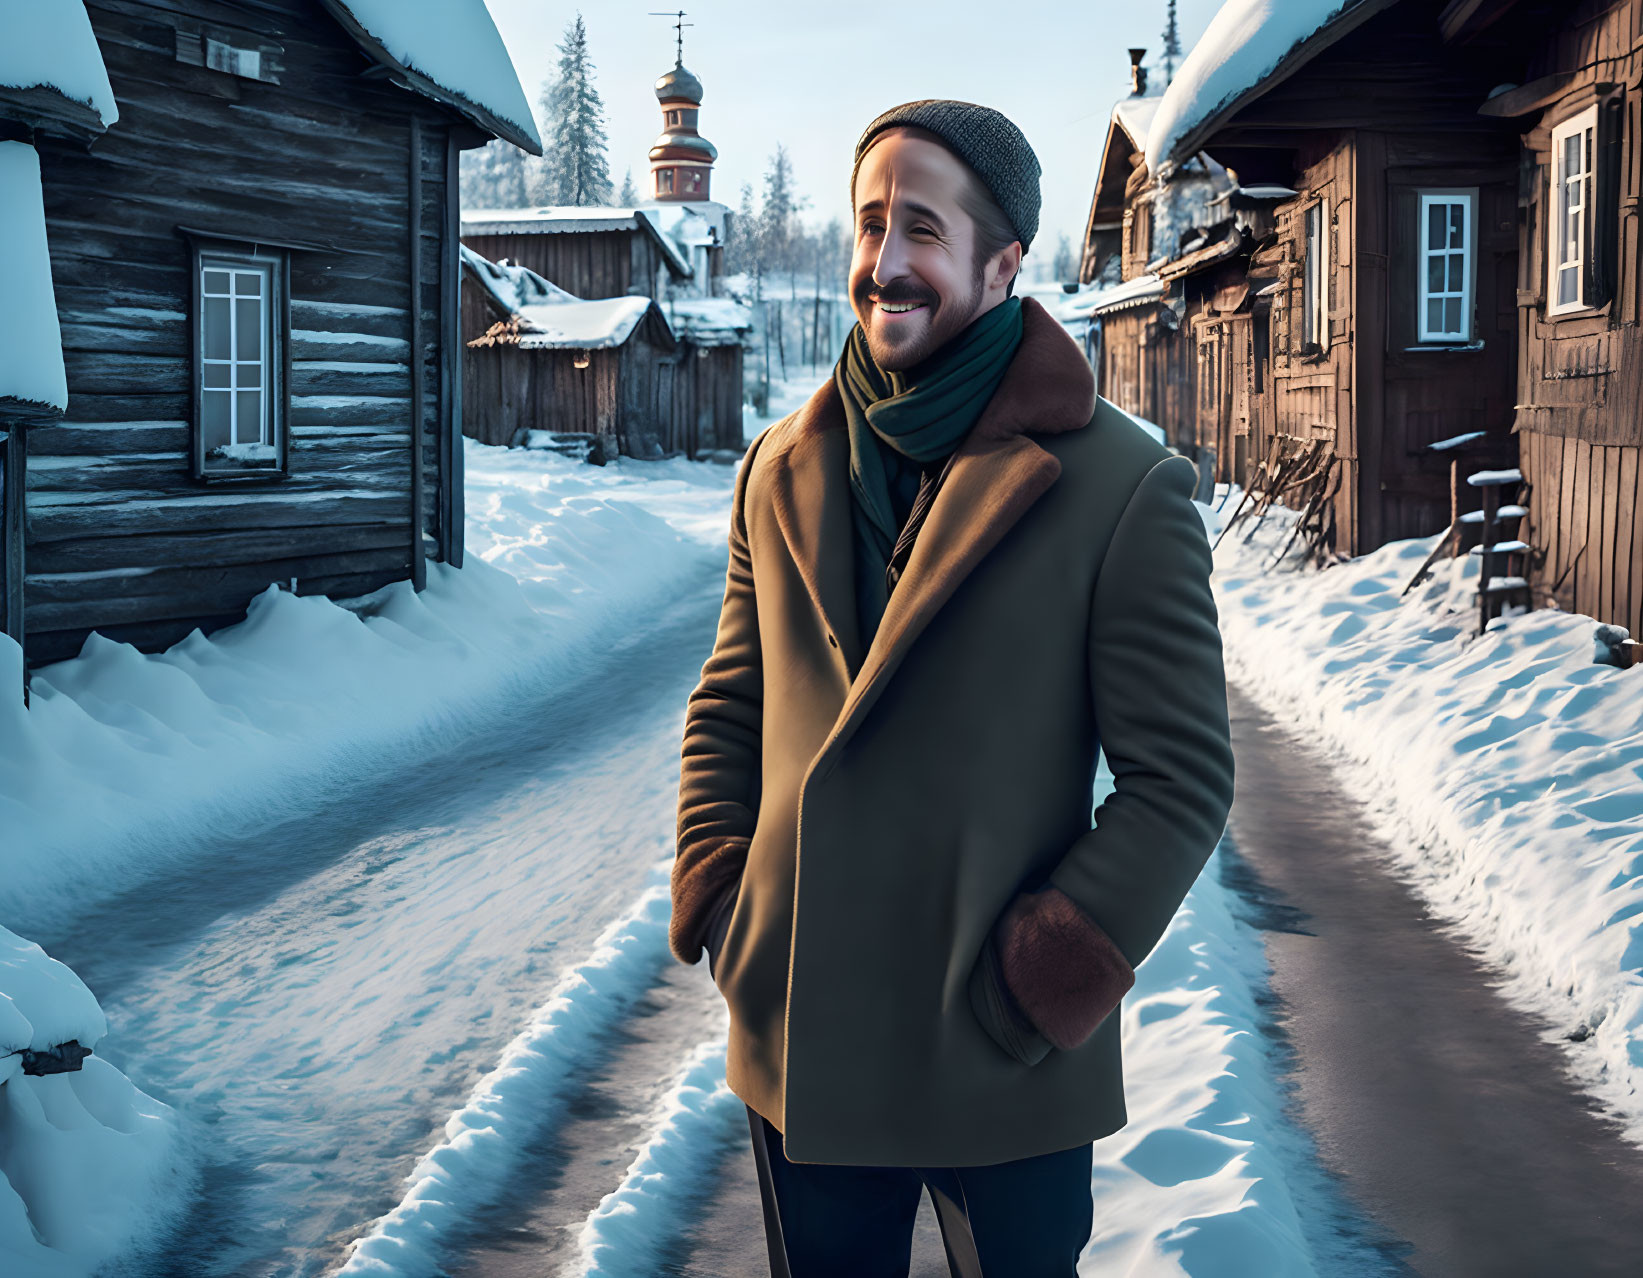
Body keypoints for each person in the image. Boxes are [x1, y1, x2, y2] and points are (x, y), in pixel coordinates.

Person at [670, 98, 1235, 1277]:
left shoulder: (1119, 487)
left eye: (921, 229)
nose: (883, 262)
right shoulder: (780, 468)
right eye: (869, 223)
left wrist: (1041, 981)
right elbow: (730, 703)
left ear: (1003, 262)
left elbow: (1179, 781)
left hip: (999, 1058)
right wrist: (727, 908)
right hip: (804, 1043)